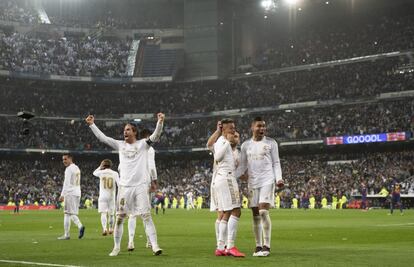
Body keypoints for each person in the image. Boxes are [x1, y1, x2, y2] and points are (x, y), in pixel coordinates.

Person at [86, 113, 164, 256]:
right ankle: (116, 247)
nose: (125, 132)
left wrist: (160, 122)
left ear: (134, 132)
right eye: (124, 130)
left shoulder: (142, 145)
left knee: (146, 216)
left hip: (140, 186)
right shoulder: (119, 145)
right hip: (124, 188)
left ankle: (155, 246)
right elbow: (102, 138)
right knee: (120, 218)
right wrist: (92, 124)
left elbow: (155, 136)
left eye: (128, 129)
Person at [237, 116, 283, 257]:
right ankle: (258, 246)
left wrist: (279, 178)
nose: (262, 128)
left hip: (267, 180)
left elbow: (276, 162)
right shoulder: (245, 145)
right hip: (253, 182)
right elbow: (243, 165)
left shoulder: (271, 143)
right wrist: (235, 176)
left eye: (263, 126)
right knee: (256, 215)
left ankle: (266, 246)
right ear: (252, 127)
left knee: (263, 212)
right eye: (259, 126)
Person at [211, 118, 245, 257]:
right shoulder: (222, 141)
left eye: (234, 127)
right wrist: (227, 142)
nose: (233, 130)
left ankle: (220, 247)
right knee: (236, 211)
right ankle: (230, 246)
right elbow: (217, 157)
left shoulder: (225, 143)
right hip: (226, 178)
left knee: (226, 213)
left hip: (224, 178)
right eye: (230, 128)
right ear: (224, 130)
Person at [127, 128, 159, 251]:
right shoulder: (149, 148)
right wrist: (154, 181)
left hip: (131, 183)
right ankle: (149, 242)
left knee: (132, 214)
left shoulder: (132, 147)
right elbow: (151, 166)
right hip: (144, 182)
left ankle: (130, 242)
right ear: (147, 136)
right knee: (146, 214)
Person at [58, 154, 85, 240]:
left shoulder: (68, 169)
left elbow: (66, 183)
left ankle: (76, 229)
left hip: (70, 193)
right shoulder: (77, 167)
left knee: (67, 213)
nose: (64, 161)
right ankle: (68, 233)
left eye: (65, 159)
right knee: (71, 213)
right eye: (63, 160)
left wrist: (62, 194)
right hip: (77, 192)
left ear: (70, 159)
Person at [93, 159, 119, 236]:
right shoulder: (115, 173)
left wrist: (100, 166)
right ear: (111, 165)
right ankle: (111, 229)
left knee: (103, 213)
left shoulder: (101, 172)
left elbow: (94, 173)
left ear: (103, 166)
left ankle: (104, 229)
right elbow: (119, 184)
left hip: (102, 196)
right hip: (111, 195)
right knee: (111, 214)